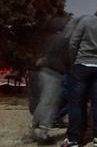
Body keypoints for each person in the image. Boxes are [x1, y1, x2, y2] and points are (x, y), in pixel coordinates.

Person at [62, 1, 97, 147]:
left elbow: (73, 42)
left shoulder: (87, 20)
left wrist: (74, 59)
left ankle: (73, 138)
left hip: (82, 64)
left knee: (77, 103)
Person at [26, 15, 74, 144]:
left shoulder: (49, 38)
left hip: (45, 71)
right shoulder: (63, 40)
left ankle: (33, 128)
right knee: (51, 104)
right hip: (54, 73)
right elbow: (68, 58)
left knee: (44, 102)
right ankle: (42, 133)